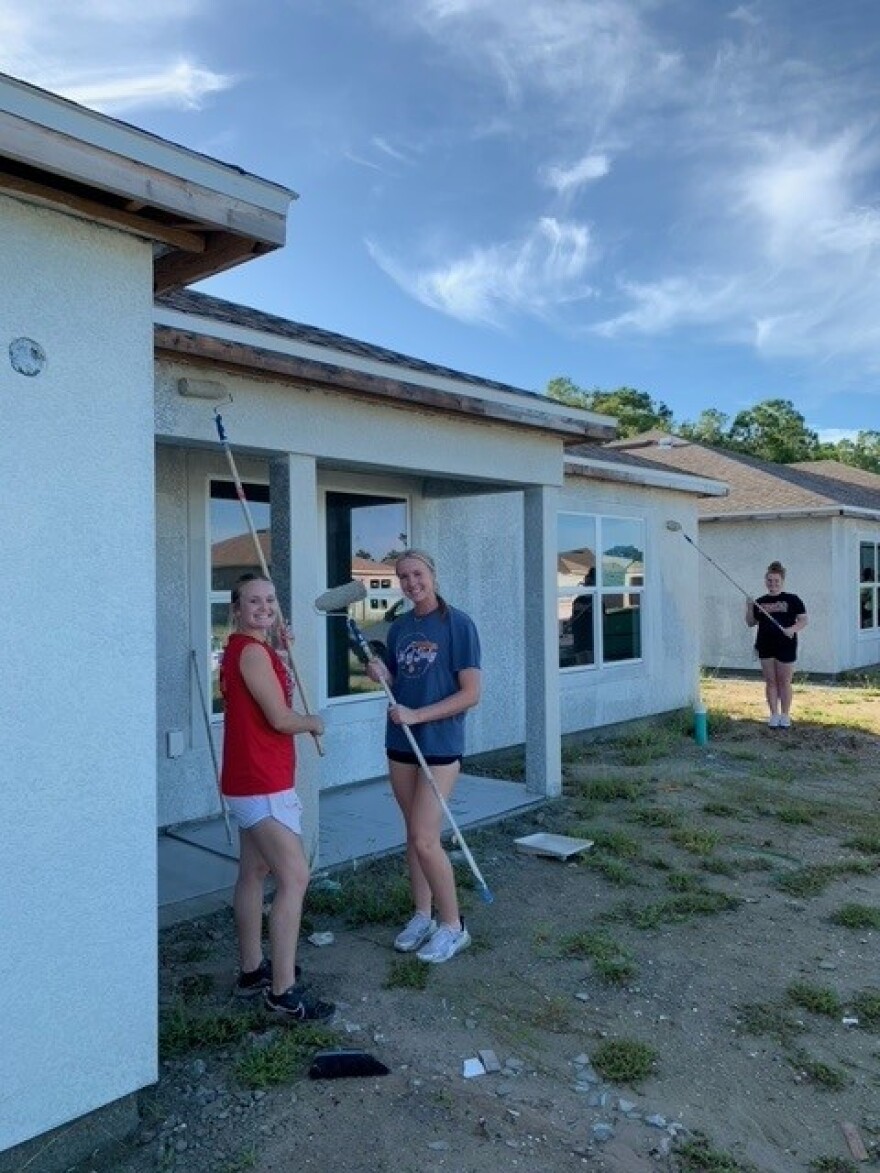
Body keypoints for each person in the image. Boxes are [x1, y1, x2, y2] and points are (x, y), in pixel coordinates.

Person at [220, 572, 333, 1020]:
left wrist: (280, 653)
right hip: (261, 782)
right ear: (237, 608)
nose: (264, 607)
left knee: (255, 872)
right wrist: (315, 721)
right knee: (295, 877)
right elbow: (281, 719)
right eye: (254, 601)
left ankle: (252, 970)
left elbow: (263, 691)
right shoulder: (251, 653)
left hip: (249, 780)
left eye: (270, 600)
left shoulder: (247, 650)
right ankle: (282, 993)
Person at [366, 549, 481, 964]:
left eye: (417, 574)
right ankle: (422, 915)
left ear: (432, 573)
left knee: (426, 837)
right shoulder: (400, 628)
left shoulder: (459, 624)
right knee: (412, 834)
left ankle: (454, 926)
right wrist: (383, 675)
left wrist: (418, 715)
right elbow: (404, 680)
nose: (411, 582)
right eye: (403, 577)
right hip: (400, 743)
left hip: (439, 745)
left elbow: (471, 694)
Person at [745, 561, 808, 729]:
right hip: (765, 645)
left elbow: (803, 620)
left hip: (785, 645)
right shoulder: (760, 601)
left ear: (782, 581)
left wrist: (792, 629)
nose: (772, 584)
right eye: (769, 580)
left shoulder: (792, 599)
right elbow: (751, 623)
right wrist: (750, 606)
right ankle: (773, 714)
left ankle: (785, 715)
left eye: (776, 581)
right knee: (770, 681)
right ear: (766, 581)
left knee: (784, 681)